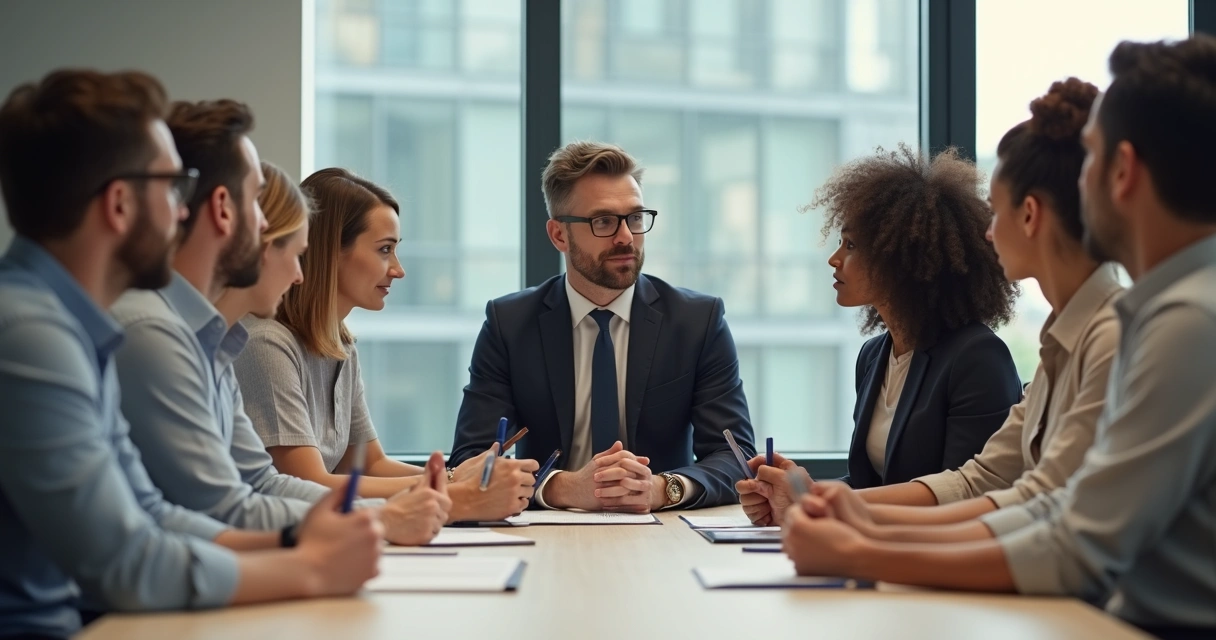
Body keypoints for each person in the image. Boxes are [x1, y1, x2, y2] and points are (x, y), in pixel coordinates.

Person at [782, 36, 1216, 639]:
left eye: (1089, 159)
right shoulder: (1124, 322)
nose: (1079, 184)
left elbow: (1072, 540)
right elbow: (1029, 495)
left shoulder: (1183, 322)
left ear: (1122, 172)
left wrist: (863, 550)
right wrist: (863, 524)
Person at [0, 69, 380, 640]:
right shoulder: (31, 335)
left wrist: (295, 541)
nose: (184, 212)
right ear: (120, 204)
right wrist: (310, 568)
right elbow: (124, 562)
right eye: (173, 189)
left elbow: (150, 515)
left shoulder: (75, 328)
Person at [738, 79, 1123, 529]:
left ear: (1030, 214)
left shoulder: (1106, 340)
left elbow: (1025, 507)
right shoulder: (1059, 344)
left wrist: (846, 532)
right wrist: (813, 500)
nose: (987, 232)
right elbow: (980, 482)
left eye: (996, 211)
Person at [110, 106, 448, 545]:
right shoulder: (163, 333)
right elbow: (224, 507)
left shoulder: (215, 342)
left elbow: (261, 483)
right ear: (223, 210)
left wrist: (396, 509)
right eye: (257, 200)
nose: (266, 221)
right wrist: (387, 518)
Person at [450, 141, 757, 512]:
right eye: (604, 221)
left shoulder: (696, 322)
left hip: (663, 529)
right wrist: (562, 488)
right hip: (549, 529)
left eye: (635, 218)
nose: (626, 236)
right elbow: (471, 460)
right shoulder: (510, 325)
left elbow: (735, 456)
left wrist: (663, 488)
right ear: (559, 235)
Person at [235, 168, 537, 522]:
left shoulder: (340, 345)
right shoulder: (268, 343)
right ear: (331, 252)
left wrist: (453, 477)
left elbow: (369, 463)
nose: (398, 269)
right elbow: (308, 481)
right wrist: (452, 485)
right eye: (384, 250)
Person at [741, 143, 1022, 508]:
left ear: (902, 258)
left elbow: (966, 497)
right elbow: (870, 485)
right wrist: (799, 492)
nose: (834, 259)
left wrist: (819, 503)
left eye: (851, 245)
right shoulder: (874, 355)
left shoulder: (977, 357)